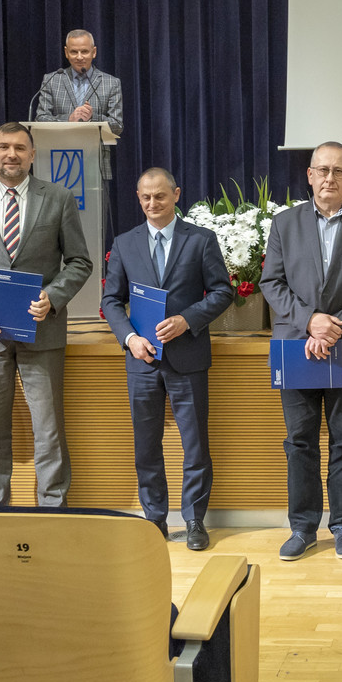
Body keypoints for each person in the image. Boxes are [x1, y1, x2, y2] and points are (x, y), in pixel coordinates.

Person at [0, 122, 92, 506]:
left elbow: (79, 261)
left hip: (42, 330)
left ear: (32, 154)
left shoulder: (58, 198)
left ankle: (53, 507)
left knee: (49, 428)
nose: (12, 154)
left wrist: (53, 297)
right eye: (4, 147)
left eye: (20, 148)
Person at [260, 141, 342, 561]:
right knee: (299, 442)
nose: (329, 178)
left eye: (338, 171)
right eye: (322, 170)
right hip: (297, 349)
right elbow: (271, 283)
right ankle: (302, 528)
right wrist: (310, 321)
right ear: (310, 175)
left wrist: (334, 326)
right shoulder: (284, 224)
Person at [102, 168, 234, 548]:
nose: (152, 203)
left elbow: (222, 292)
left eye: (159, 196)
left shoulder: (201, 239)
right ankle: (154, 520)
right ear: (138, 198)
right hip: (142, 360)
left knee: (195, 445)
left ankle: (194, 520)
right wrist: (129, 339)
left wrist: (187, 319)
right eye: (145, 197)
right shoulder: (125, 243)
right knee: (146, 446)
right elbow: (111, 300)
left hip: (187, 357)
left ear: (176, 195)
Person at [34, 28, 124, 181]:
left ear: (94, 52)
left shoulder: (111, 83)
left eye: (85, 51)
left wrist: (92, 118)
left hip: (95, 164)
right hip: (58, 162)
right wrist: (68, 119)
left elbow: (118, 126)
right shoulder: (52, 80)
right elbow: (40, 119)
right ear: (66, 52)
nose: (79, 57)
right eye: (74, 52)